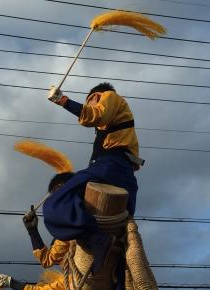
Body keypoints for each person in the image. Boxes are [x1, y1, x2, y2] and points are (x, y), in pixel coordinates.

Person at [44, 82, 141, 272]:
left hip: (108, 168)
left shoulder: (110, 96)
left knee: (54, 204)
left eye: (91, 102)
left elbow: (94, 116)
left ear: (97, 95)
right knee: (120, 241)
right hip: (125, 177)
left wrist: (62, 100)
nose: (91, 106)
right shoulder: (116, 127)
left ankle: (96, 237)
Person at [23, 172, 75, 269]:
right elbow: (47, 259)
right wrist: (32, 230)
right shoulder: (67, 233)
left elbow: (46, 260)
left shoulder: (70, 230)